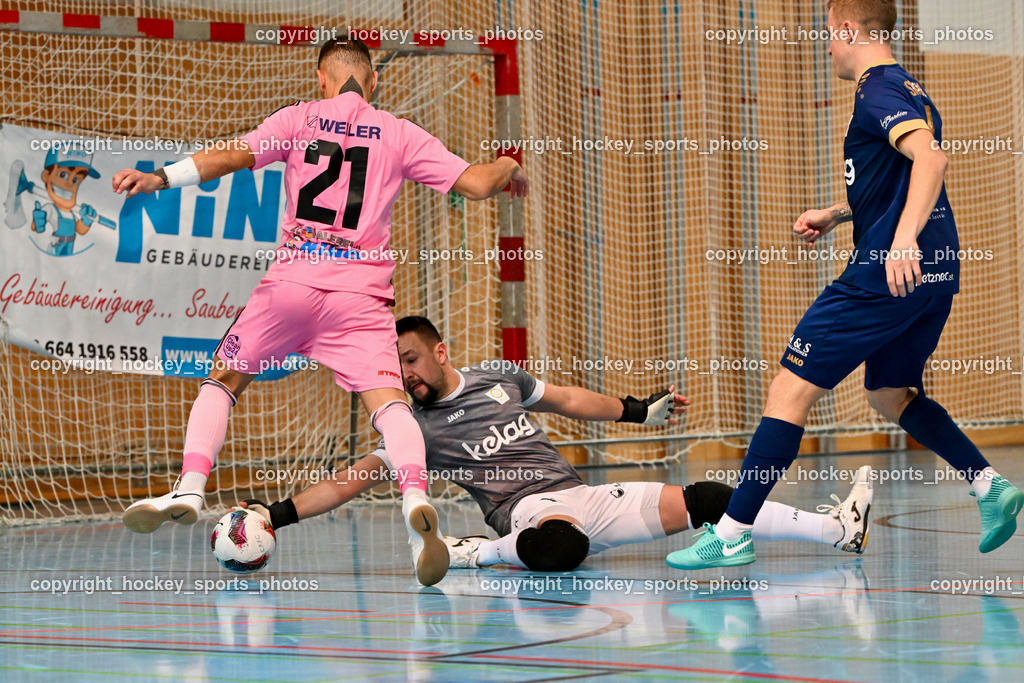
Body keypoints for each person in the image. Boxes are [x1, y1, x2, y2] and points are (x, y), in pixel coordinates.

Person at [112, 37, 528, 586]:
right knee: (389, 405)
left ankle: (191, 485)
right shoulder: (399, 132)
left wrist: (161, 177)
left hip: (290, 284)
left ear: (321, 78)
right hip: (360, 297)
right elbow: (477, 184)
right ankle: (414, 496)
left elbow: (230, 157)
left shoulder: (299, 119)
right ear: (372, 81)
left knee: (222, 380)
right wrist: (506, 164)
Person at [666, 0, 1022, 571]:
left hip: (887, 270)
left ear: (849, 30)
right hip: (935, 271)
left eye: (828, 35)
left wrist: (900, 241)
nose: (826, 46)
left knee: (788, 391)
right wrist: (840, 212)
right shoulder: (909, 87)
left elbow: (931, 161)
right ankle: (987, 483)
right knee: (888, 393)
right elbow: (899, 180)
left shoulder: (876, 88)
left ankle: (731, 532)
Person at [240, 316, 873, 574]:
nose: (402, 375)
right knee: (562, 545)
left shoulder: (498, 377)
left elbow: (568, 398)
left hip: (583, 495)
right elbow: (352, 479)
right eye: (392, 367)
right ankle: (474, 555)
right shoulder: (412, 426)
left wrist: (636, 409)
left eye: (408, 360)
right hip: (528, 515)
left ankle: (838, 530)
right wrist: (277, 513)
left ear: (440, 351)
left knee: (710, 496)